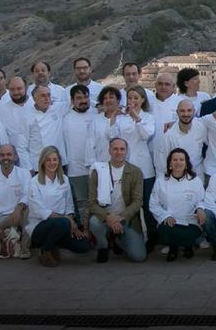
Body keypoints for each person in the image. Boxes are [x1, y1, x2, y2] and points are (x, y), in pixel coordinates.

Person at [27, 146, 91, 266]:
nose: (52, 163)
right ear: (43, 162)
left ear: (59, 162)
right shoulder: (34, 182)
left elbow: (69, 206)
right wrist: (67, 220)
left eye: (55, 159)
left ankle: (53, 245)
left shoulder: (64, 180)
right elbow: (40, 210)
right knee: (62, 223)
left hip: (63, 226)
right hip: (40, 227)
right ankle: (45, 251)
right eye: (48, 160)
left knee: (84, 246)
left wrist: (72, 222)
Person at [151, 148, 216, 261]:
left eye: (181, 159)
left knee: (189, 237)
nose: (178, 162)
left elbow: (201, 200)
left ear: (186, 164)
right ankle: (173, 248)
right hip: (170, 221)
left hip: (190, 222)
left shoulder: (195, 181)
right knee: (165, 231)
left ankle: (188, 245)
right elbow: (153, 204)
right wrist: (165, 215)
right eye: (175, 160)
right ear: (170, 163)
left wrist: (200, 209)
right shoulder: (160, 181)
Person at [110, 86, 158, 243]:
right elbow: (111, 138)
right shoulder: (121, 119)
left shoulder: (148, 117)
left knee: (147, 204)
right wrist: (113, 119)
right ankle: (133, 237)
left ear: (142, 100)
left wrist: (136, 118)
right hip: (127, 168)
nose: (132, 101)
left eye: (136, 98)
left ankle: (152, 236)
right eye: (130, 98)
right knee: (130, 206)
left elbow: (146, 135)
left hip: (144, 168)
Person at [88, 138, 147, 263]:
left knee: (139, 256)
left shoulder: (136, 172)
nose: (118, 152)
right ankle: (103, 246)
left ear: (126, 151)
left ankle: (117, 240)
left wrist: (121, 217)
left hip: (126, 218)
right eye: (115, 149)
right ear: (109, 150)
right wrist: (108, 217)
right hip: (104, 217)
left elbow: (138, 201)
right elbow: (92, 203)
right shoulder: (98, 171)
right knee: (94, 222)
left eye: (122, 149)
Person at [63, 84, 110, 227]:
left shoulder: (98, 114)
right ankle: (85, 233)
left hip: (98, 169)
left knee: (101, 203)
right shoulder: (65, 117)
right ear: (72, 100)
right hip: (76, 170)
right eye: (78, 98)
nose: (83, 100)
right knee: (82, 205)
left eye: (85, 97)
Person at [152, 98, 205, 185]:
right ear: (177, 112)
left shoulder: (201, 127)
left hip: (197, 177)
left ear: (194, 111)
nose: (186, 114)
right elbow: (160, 165)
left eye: (189, 110)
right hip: (176, 180)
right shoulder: (168, 136)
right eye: (182, 111)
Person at [24, 84, 66, 173]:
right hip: (38, 164)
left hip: (59, 163)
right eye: (43, 96)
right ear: (34, 99)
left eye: (48, 95)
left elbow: (75, 101)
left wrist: (97, 105)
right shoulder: (27, 116)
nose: (47, 98)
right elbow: (23, 145)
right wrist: (28, 166)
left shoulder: (58, 108)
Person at [0, 77, 32, 160]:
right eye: (12, 89)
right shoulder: (1, 111)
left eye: (19, 88)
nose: (16, 92)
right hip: (15, 161)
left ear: (26, 88)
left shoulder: (36, 105)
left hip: (40, 158)